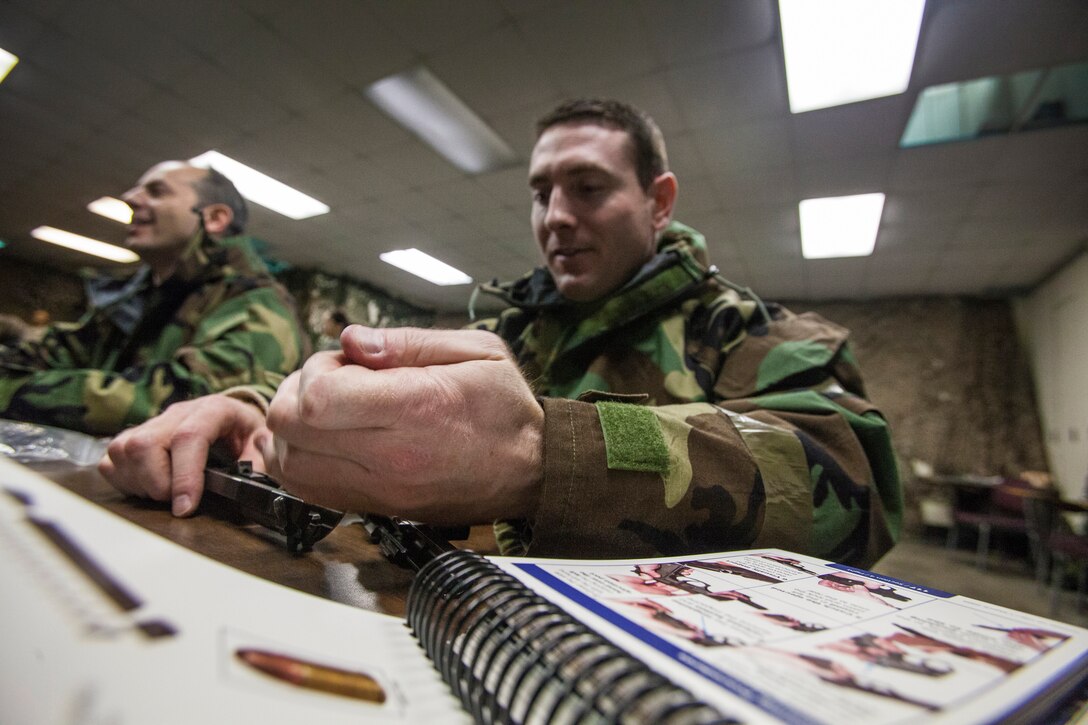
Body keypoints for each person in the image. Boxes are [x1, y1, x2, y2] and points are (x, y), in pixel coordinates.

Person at [99, 100, 902, 567]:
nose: (556, 217)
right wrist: (259, 409)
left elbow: (851, 474)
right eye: (542, 191)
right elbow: (381, 403)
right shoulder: (505, 328)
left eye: (588, 187)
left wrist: (545, 452)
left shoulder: (750, 332)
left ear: (659, 201)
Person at [0, 161, 307, 436]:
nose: (130, 198)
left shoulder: (257, 302)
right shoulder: (140, 295)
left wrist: (7, 389)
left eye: (156, 191)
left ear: (213, 218)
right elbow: (62, 351)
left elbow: (186, 403)